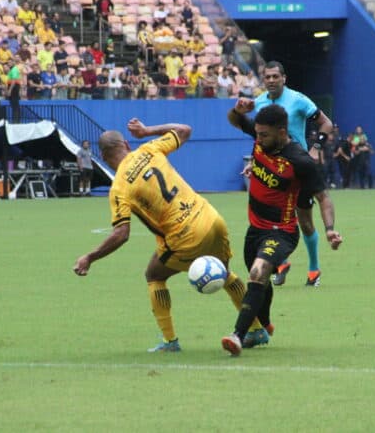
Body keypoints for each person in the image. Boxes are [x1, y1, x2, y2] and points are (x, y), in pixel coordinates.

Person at [73, 120, 253, 352]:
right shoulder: (150, 148)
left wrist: (91, 256)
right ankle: (256, 328)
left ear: (105, 158)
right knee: (225, 272)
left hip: (184, 234)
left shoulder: (119, 187)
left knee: (154, 275)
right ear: (126, 144)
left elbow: (121, 233)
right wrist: (147, 131)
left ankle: (170, 341)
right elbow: (185, 130)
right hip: (212, 218)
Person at [222, 104, 343, 356]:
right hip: (254, 229)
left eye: (264, 135)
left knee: (258, 271)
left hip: (282, 231)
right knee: (260, 283)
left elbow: (323, 197)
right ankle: (263, 326)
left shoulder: (299, 161)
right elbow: (234, 120)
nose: (259, 138)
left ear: (282, 131)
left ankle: (237, 335)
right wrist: (237, 109)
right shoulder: (261, 138)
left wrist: (330, 229)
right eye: (257, 133)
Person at [232, 61, 334, 288]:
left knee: (305, 222)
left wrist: (316, 147)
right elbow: (259, 139)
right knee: (270, 219)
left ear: (283, 78)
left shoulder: (298, 100)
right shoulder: (259, 102)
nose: (271, 80)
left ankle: (313, 269)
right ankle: (281, 262)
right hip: (273, 172)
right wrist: (256, 164)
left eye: (275, 76)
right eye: (267, 77)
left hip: (297, 170)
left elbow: (326, 123)